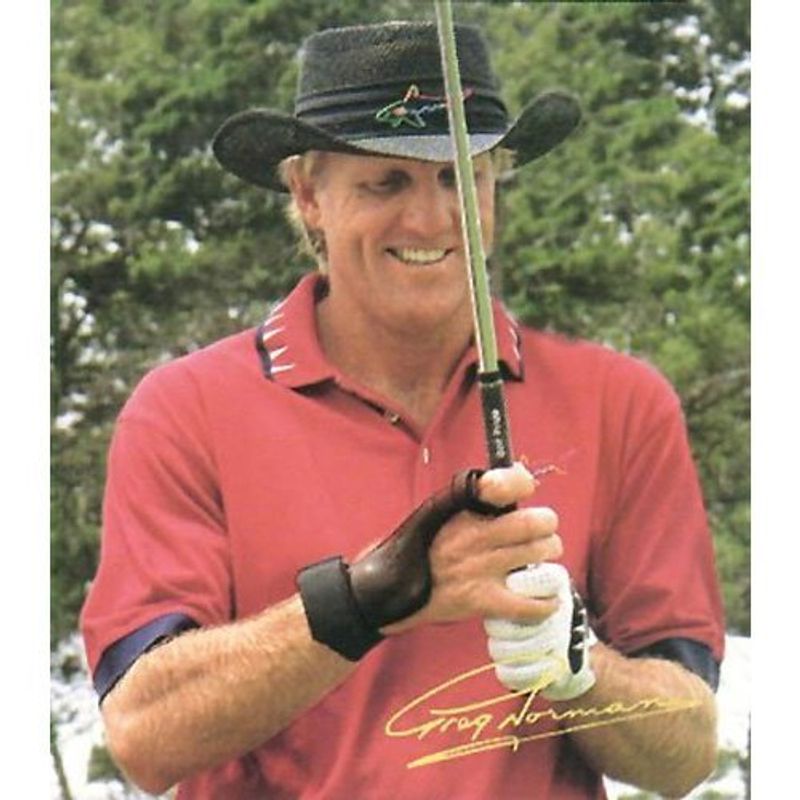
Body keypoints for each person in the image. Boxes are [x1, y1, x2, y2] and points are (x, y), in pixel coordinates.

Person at [80, 20, 725, 800]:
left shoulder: (622, 404)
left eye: (460, 178)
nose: (430, 219)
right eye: (386, 182)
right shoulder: (184, 411)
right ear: (308, 195)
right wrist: (361, 604)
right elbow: (144, 736)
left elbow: (687, 749)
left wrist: (579, 668)